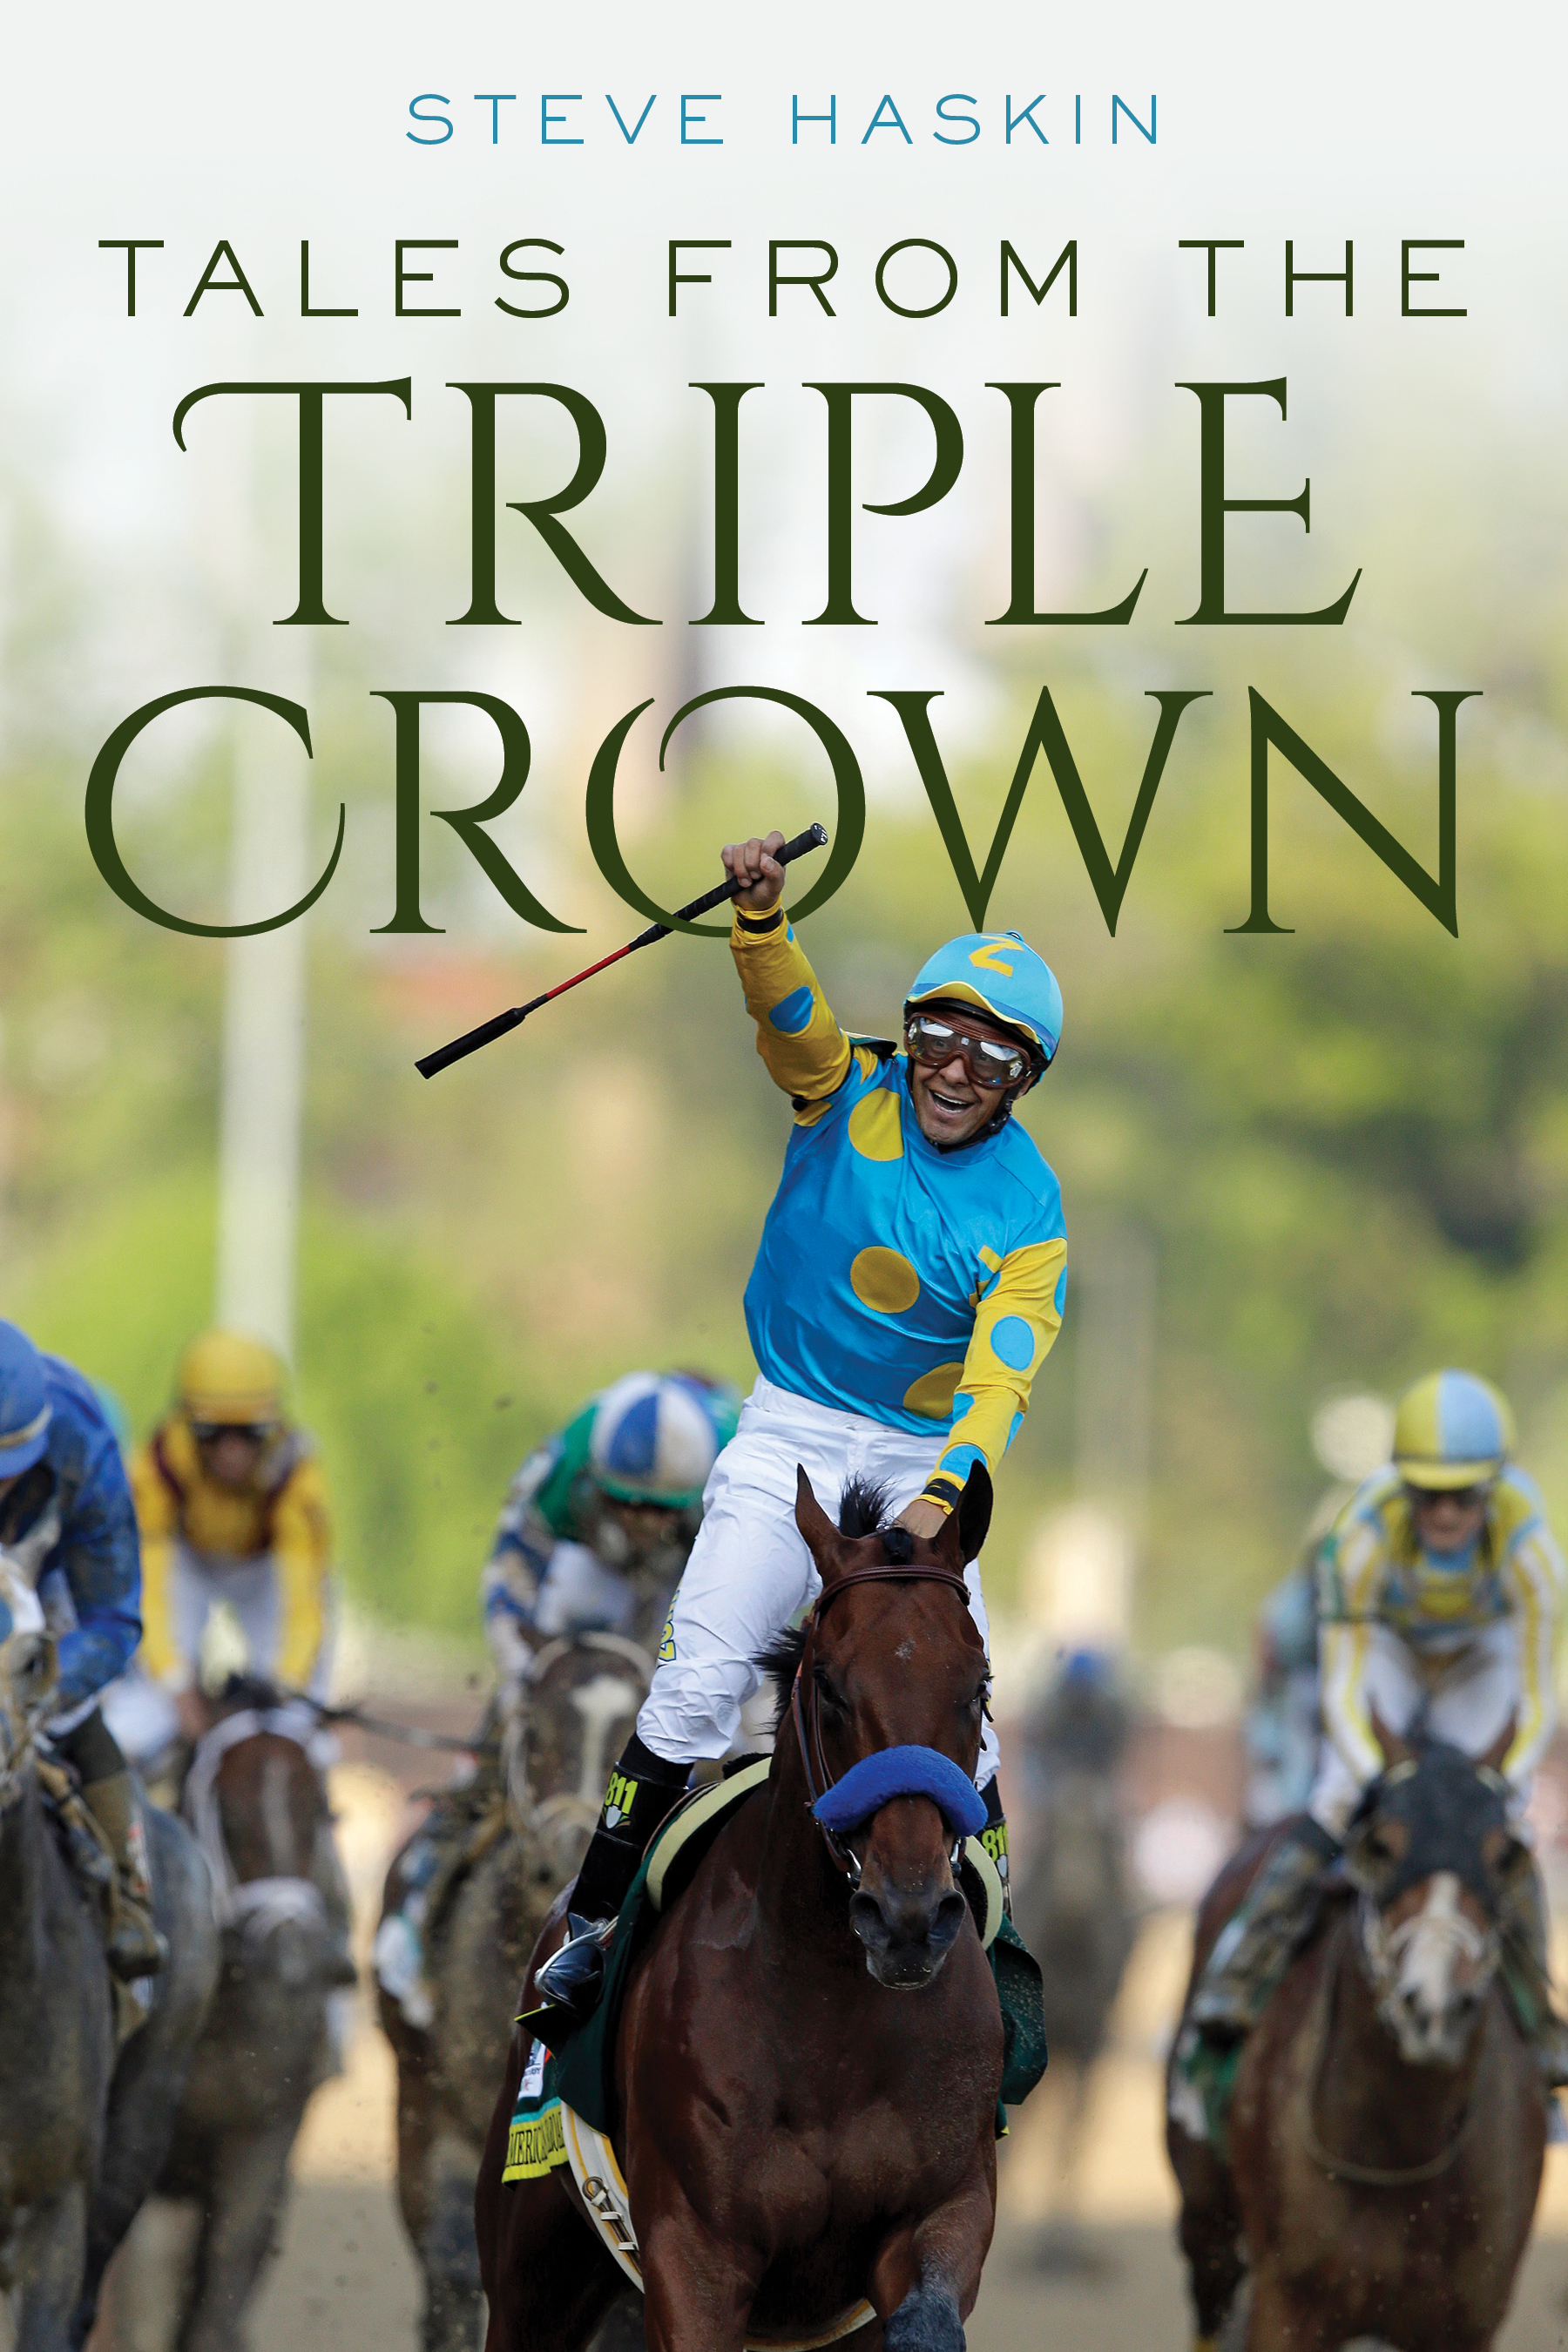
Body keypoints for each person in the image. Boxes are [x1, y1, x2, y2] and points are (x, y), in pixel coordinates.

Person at [537, 829, 1069, 2022]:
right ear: (909, 1037)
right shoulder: (847, 1089)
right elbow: (792, 1027)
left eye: (990, 1056)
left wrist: (941, 1502)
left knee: (973, 1732)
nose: (953, 1070)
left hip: (926, 1460)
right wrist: (761, 922)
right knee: (695, 1689)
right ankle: (588, 1929)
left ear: (1023, 1079)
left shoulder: (1031, 1211)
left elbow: (1000, 1384)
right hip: (792, 1433)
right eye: (937, 1039)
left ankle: (994, 1974)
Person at [1186, 1366, 1568, 2090]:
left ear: (1494, 1488)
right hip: (1388, 1646)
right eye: (1427, 1495)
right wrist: (1384, 1778)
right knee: (1338, 1796)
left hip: (1479, 1659)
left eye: (1464, 1497)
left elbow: (1537, 1697)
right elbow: (1345, 1684)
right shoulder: (1358, 1539)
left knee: (1503, 1820)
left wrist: (1494, 1786)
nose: (1445, 1515)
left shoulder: (1536, 1553)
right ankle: (1240, 1968)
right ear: (1402, 1486)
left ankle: (1540, 2014)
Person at [375, 1369, 735, 2025]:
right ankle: (423, 1902)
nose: (640, 1522)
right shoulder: (560, 1464)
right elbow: (507, 1582)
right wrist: (528, 1680)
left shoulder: (735, 1466)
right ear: (593, 1483)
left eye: (658, 1509)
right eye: (624, 1502)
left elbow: (766, 1601)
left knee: (744, 1731)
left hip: (695, 1574)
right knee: (513, 1719)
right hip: (585, 1573)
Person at [0, 1318, 165, 1977]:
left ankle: (129, 1899)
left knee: (70, 1714)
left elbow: (113, 1619)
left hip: (51, 1566)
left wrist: (43, 1692)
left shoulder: (84, 1447)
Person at [113, 1328, 334, 1757]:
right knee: (144, 1719)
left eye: (249, 1434)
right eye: (212, 1433)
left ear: (273, 1428)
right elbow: (147, 1585)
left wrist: (287, 1682)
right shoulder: (156, 1465)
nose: (232, 1451)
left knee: (297, 1723)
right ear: (186, 1424)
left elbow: (305, 1601)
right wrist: (173, 1681)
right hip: (189, 1564)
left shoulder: (299, 1473)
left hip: (265, 1569)